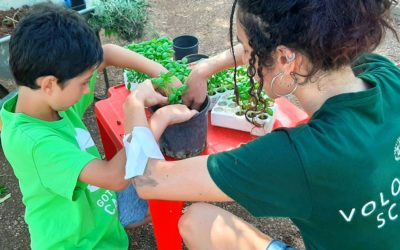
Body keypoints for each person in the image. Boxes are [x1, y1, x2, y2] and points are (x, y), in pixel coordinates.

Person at [126, 0, 400, 249]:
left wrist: (135, 104)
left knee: (196, 219)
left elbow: (148, 181)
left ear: (284, 59)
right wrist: (204, 68)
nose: (245, 59)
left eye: (246, 49)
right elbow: (285, 41)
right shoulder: (386, 75)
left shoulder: (297, 156)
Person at [0, 3, 197, 249]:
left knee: (160, 188)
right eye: (84, 82)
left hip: (98, 214)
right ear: (49, 83)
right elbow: (114, 178)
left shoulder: (47, 99)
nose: (88, 89)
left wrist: (163, 75)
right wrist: (152, 116)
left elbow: (109, 53)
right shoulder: (33, 143)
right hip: (78, 243)